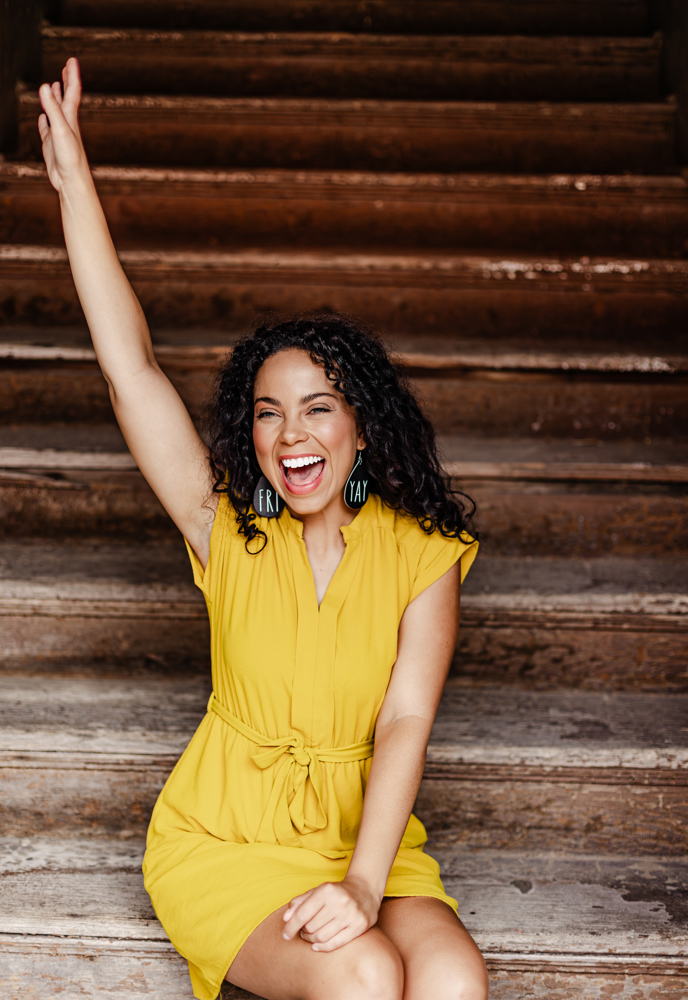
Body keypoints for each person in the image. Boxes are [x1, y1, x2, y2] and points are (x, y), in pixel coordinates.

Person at [38, 58, 488, 1000]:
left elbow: (406, 720)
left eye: (319, 409)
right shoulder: (225, 528)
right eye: (268, 412)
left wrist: (364, 880)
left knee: (451, 979)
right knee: (363, 975)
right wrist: (77, 186)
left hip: (366, 841)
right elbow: (133, 370)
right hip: (225, 837)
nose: (292, 434)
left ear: (362, 427)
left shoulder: (421, 554)